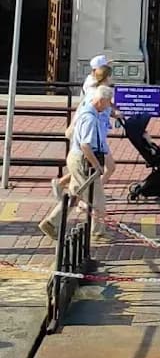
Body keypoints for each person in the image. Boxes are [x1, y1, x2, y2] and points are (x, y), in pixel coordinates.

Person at [38, 85, 114, 242]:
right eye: (108, 102)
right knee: (98, 198)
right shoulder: (90, 119)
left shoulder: (90, 112)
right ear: (101, 100)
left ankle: (52, 222)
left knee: (75, 195)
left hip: (78, 159)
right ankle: (98, 231)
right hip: (83, 160)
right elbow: (85, 145)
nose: (108, 106)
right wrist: (97, 165)